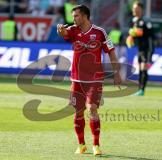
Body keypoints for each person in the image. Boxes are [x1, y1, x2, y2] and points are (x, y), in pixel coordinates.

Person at [57, 4, 121, 156]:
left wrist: (116, 72)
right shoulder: (73, 30)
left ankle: (96, 145)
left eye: (76, 16)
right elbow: (65, 33)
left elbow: (111, 52)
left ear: (85, 16)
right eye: (73, 16)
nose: (73, 19)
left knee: (92, 108)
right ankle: (81, 144)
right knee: (78, 112)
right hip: (77, 79)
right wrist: (61, 30)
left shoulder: (100, 32)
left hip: (94, 80)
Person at [126, 2, 154, 96]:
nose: (134, 10)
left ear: (141, 10)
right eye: (134, 9)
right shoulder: (135, 21)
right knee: (141, 69)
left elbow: (141, 32)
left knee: (144, 68)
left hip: (148, 48)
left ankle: (142, 90)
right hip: (140, 48)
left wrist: (131, 33)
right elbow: (135, 33)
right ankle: (139, 89)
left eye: (136, 9)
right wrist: (131, 37)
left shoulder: (144, 20)